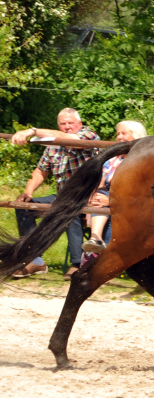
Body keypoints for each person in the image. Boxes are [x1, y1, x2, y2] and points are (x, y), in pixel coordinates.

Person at [10, 108, 100, 280]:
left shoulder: (88, 135)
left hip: (86, 196)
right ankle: (34, 260)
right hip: (61, 196)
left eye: (71, 123)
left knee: (69, 209)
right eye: (63, 124)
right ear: (58, 125)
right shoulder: (53, 145)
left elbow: (72, 139)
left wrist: (33, 131)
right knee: (24, 207)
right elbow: (40, 172)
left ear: (79, 124)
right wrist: (27, 192)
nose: (67, 127)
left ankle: (77, 264)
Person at [82, 121, 148, 253]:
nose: (119, 137)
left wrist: (112, 201)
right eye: (118, 134)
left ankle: (96, 240)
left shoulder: (142, 160)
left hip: (129, 202)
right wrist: (92, 196)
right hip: (108, 199)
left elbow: (139, 191)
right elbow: (100, 182)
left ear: (136, 136)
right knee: (98, 198)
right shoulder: (113, 160)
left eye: (124, 133)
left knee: (104, 200)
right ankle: (96, 242)